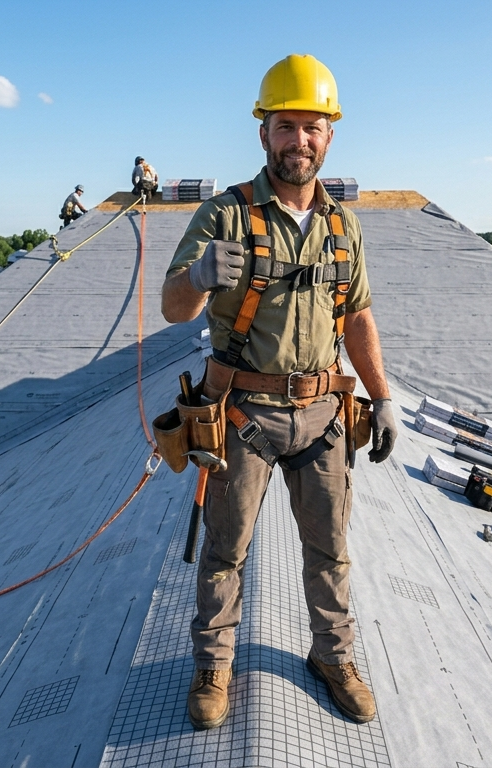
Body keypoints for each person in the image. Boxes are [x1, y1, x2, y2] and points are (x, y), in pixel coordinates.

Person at [160, 53, 399, 730]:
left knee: (330, 550)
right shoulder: (224, 216)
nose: (301, 140)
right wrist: (201, 274)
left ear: (330, 136)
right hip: (243, 416)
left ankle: (333, 657)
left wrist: (381, 397)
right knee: (224, 551)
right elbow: (175, 307)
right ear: (264, 132)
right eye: (287, 126)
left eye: (313, 128)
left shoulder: (341, 225)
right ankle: (213, 666)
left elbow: (356, 317)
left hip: (322, 415)